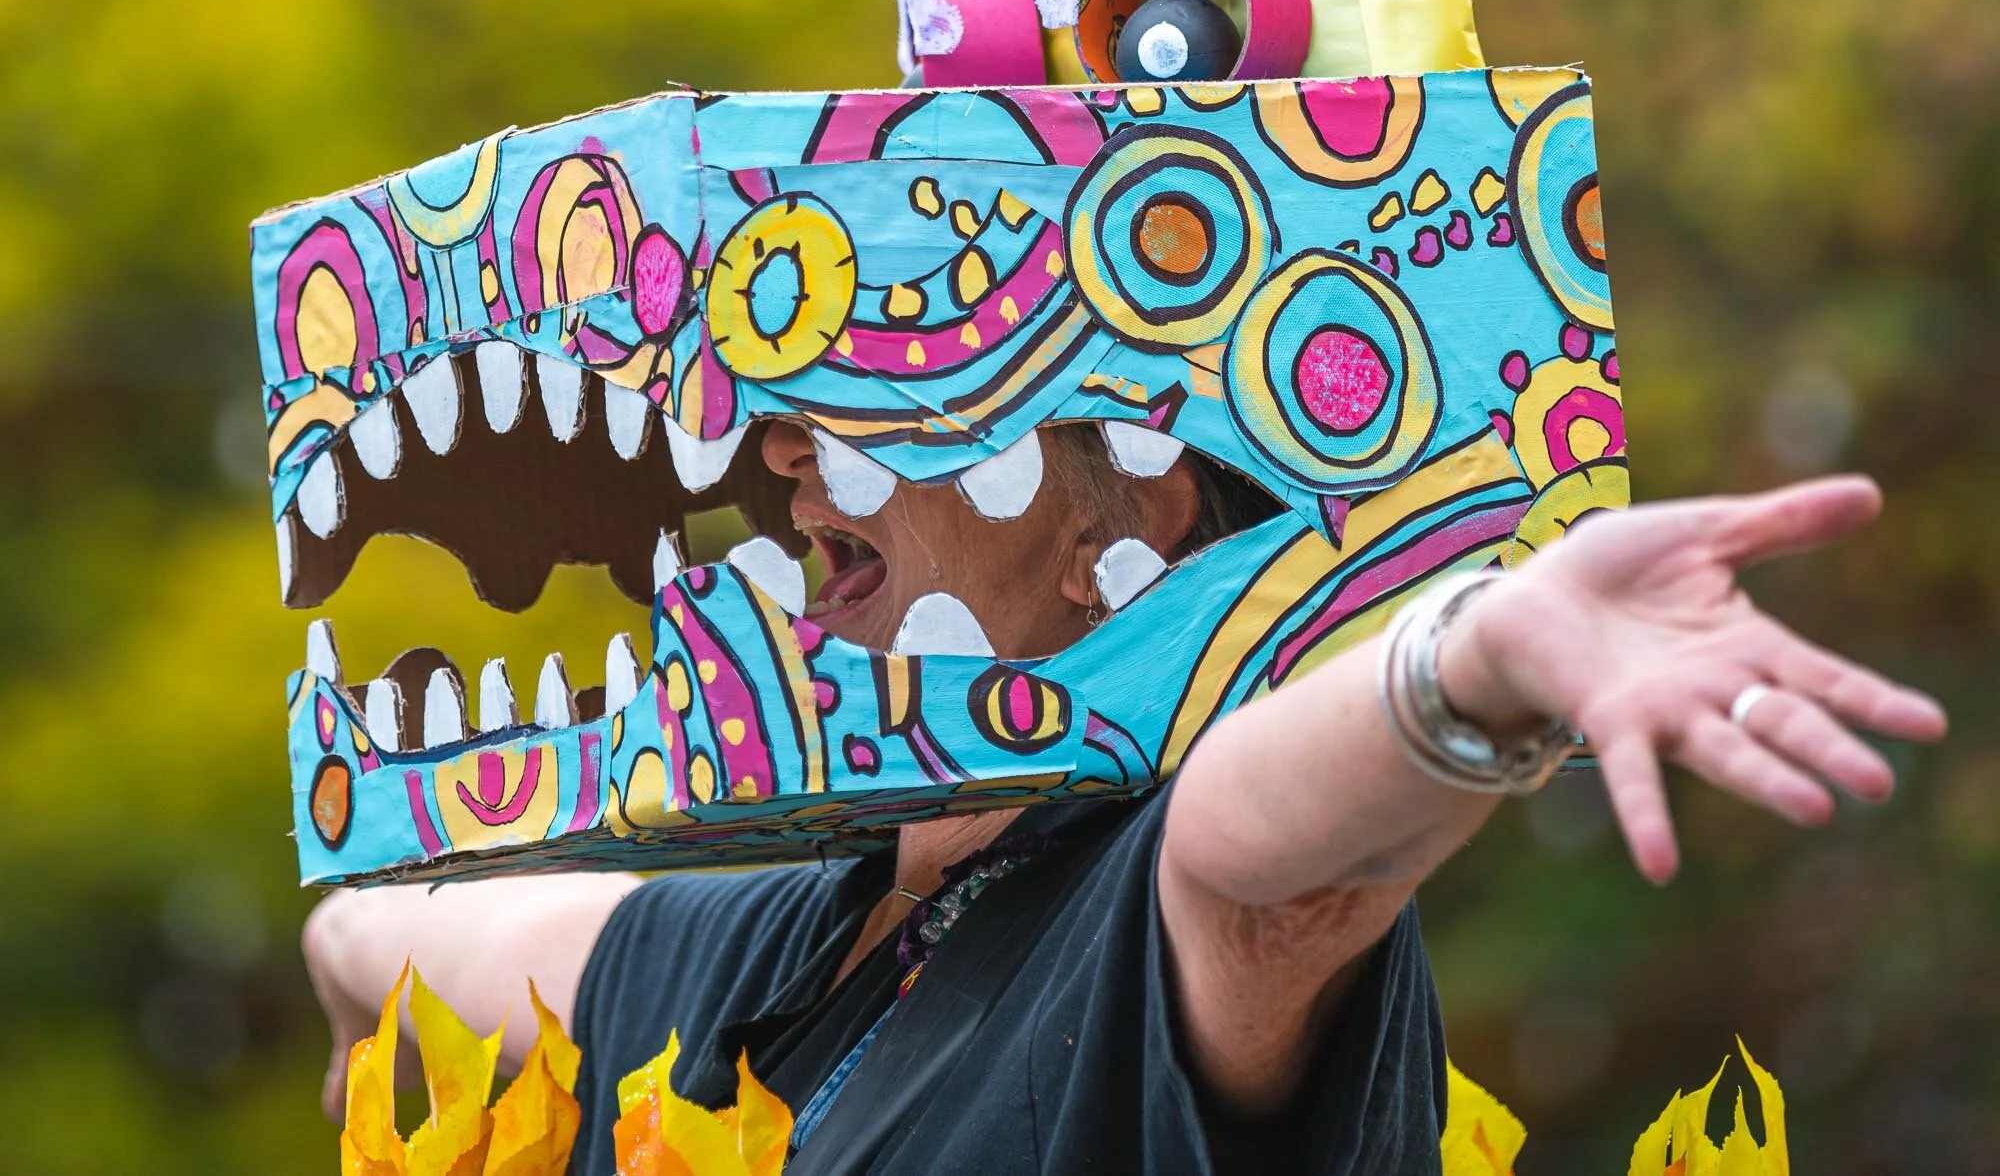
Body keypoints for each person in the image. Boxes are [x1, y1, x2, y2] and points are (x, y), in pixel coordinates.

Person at [305, 419, 1944, 1173]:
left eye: (891, 389)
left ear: (1128, 511)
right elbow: (368, 935)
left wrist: (1470, 658)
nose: (792, 458)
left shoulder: (1132, 901)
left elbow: (1254, 856)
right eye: (792, 404)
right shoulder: (777, 947)